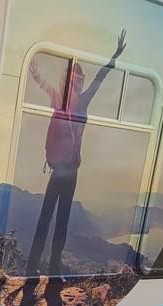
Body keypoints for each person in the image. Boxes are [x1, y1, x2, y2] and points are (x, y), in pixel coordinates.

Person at [24, 29, 127, 279]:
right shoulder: (71, 99)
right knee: (55, 220)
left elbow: (96, 79)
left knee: (53, 219)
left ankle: (42, 268)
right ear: (73, 82)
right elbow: (95, 80)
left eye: (78, 81)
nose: (78, 85)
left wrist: (114, 56)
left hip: (64, 171)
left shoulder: (69, 98)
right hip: (65, 171)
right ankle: (44, 269)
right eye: (76, 81)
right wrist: (113, 58)